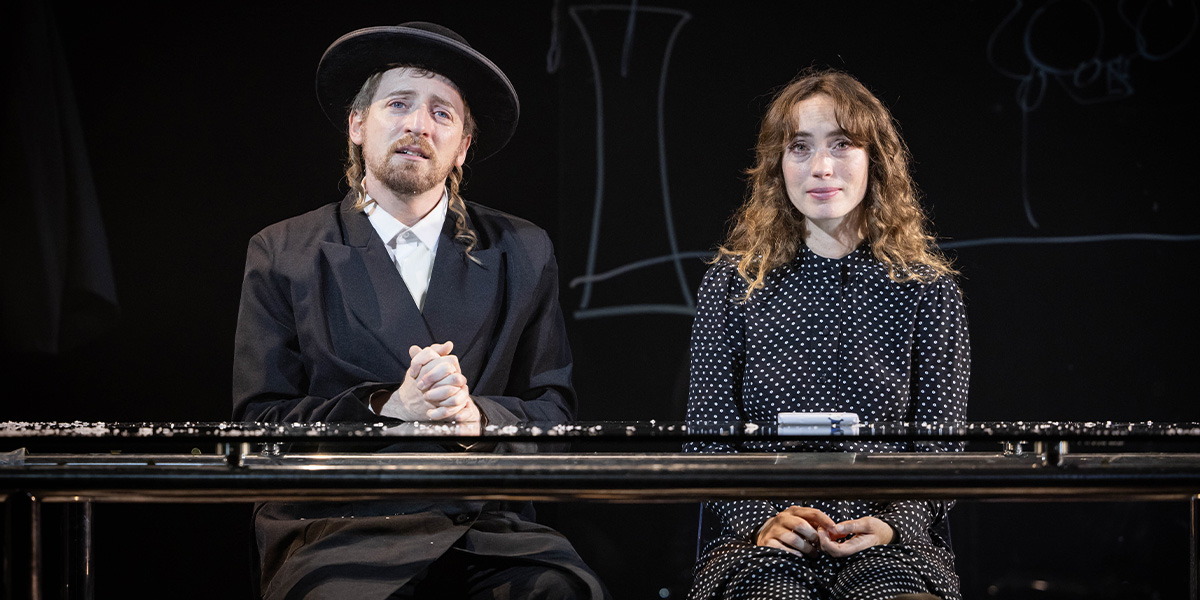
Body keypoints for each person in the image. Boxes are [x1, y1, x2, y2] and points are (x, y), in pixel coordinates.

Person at [232, 22, 607, 599]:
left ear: (463, 146)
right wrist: (387, 408)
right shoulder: (284, 252)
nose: (417, 125)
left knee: (560, 588)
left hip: (484, 527)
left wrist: (476, 419)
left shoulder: (521, 250)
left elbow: (553, 413)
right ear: (358, 125)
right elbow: (262, 425)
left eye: (442, 113)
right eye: (399, 103)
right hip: (340, 528)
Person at [684, 68, 970, 600]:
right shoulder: (732, 283)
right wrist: (765, 519)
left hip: (889, 544)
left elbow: (940, 448)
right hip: (760, 543)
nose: (821, 167)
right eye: (800, 147)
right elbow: (709, 438)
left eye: (842, 145)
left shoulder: (927, 289)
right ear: (777, 165)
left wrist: (892, 525)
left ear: (875, 161)